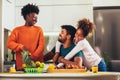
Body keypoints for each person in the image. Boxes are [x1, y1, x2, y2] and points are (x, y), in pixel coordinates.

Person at [7, 3, 45, 70]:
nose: (36, 20)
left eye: (36, 17)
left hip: (37, 66)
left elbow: (41, 46)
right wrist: (21, 47)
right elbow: (9, 44)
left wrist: (33, 56)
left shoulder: (39, 30)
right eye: (34, 17)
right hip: (22, 66)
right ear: (27, 16)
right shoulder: (17, 30)